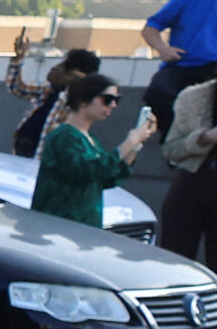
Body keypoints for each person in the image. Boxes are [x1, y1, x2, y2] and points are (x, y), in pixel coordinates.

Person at [34, 72, 155, 230]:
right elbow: (86, 170)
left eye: (116, 100)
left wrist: (136, 145)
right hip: (59, 227)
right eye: (107, 100)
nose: (113, 106)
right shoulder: (63, 136)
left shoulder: (89, 138)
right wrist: (128, 143)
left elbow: (108, 178)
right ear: (84, 100)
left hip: (83, 227)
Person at [140, 0, 217, 139]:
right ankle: (173, 142)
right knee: (158, 93)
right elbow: (151, 27)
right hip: (181, 65)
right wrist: (162, 48)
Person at [159, 72, 217, 270]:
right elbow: (170, 149)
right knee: (175, 259)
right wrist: (204, 137)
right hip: (194, 180)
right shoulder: (196, 97)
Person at [10, 43, 96, 159]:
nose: (57, 68)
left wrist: (74, 85)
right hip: (23, 147)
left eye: (65, 66)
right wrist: (18, 59)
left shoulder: (73, 99)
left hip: (41, 157)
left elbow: (66, 104)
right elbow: (18, 88)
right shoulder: (49, 90)